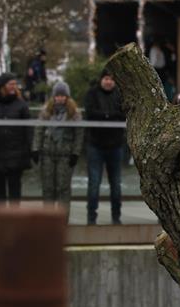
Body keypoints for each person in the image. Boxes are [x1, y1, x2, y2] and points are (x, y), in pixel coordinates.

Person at [33, 81, 83, 218]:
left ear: (67, 97)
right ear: (53, 96)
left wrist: (75, 153)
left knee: (63, 188)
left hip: (65, 155)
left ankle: (62, 220)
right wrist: (36, 149)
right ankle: (48, 220)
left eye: (63, 96)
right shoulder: (46, 111)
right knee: (48, 188)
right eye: (57, 95)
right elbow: (39, 130)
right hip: (47, 153)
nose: (60, 98)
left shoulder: (74, 114)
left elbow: (79, 135)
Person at [84, 69, 125, 225]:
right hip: (96, 145)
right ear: (101, 79)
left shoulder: (120, 95)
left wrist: (105, 115)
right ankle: (91, 217)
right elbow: (90, 113)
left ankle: (116, 217)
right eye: (106, 79)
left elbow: (123, 114)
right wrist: (110, 115)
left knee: (116, 184)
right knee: (94, 184)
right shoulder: (92, 94)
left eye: (111, 79)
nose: (108, 82)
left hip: (116, 145)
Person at [0, 72, 32, 204]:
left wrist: (29, 149)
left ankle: (14, 215)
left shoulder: (21, 104)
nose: (14, 87)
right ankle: (1, 215)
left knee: (15, 190)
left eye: (15, 84)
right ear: (2, 86)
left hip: (16, 154)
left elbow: (28, 128)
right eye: (10, 84)